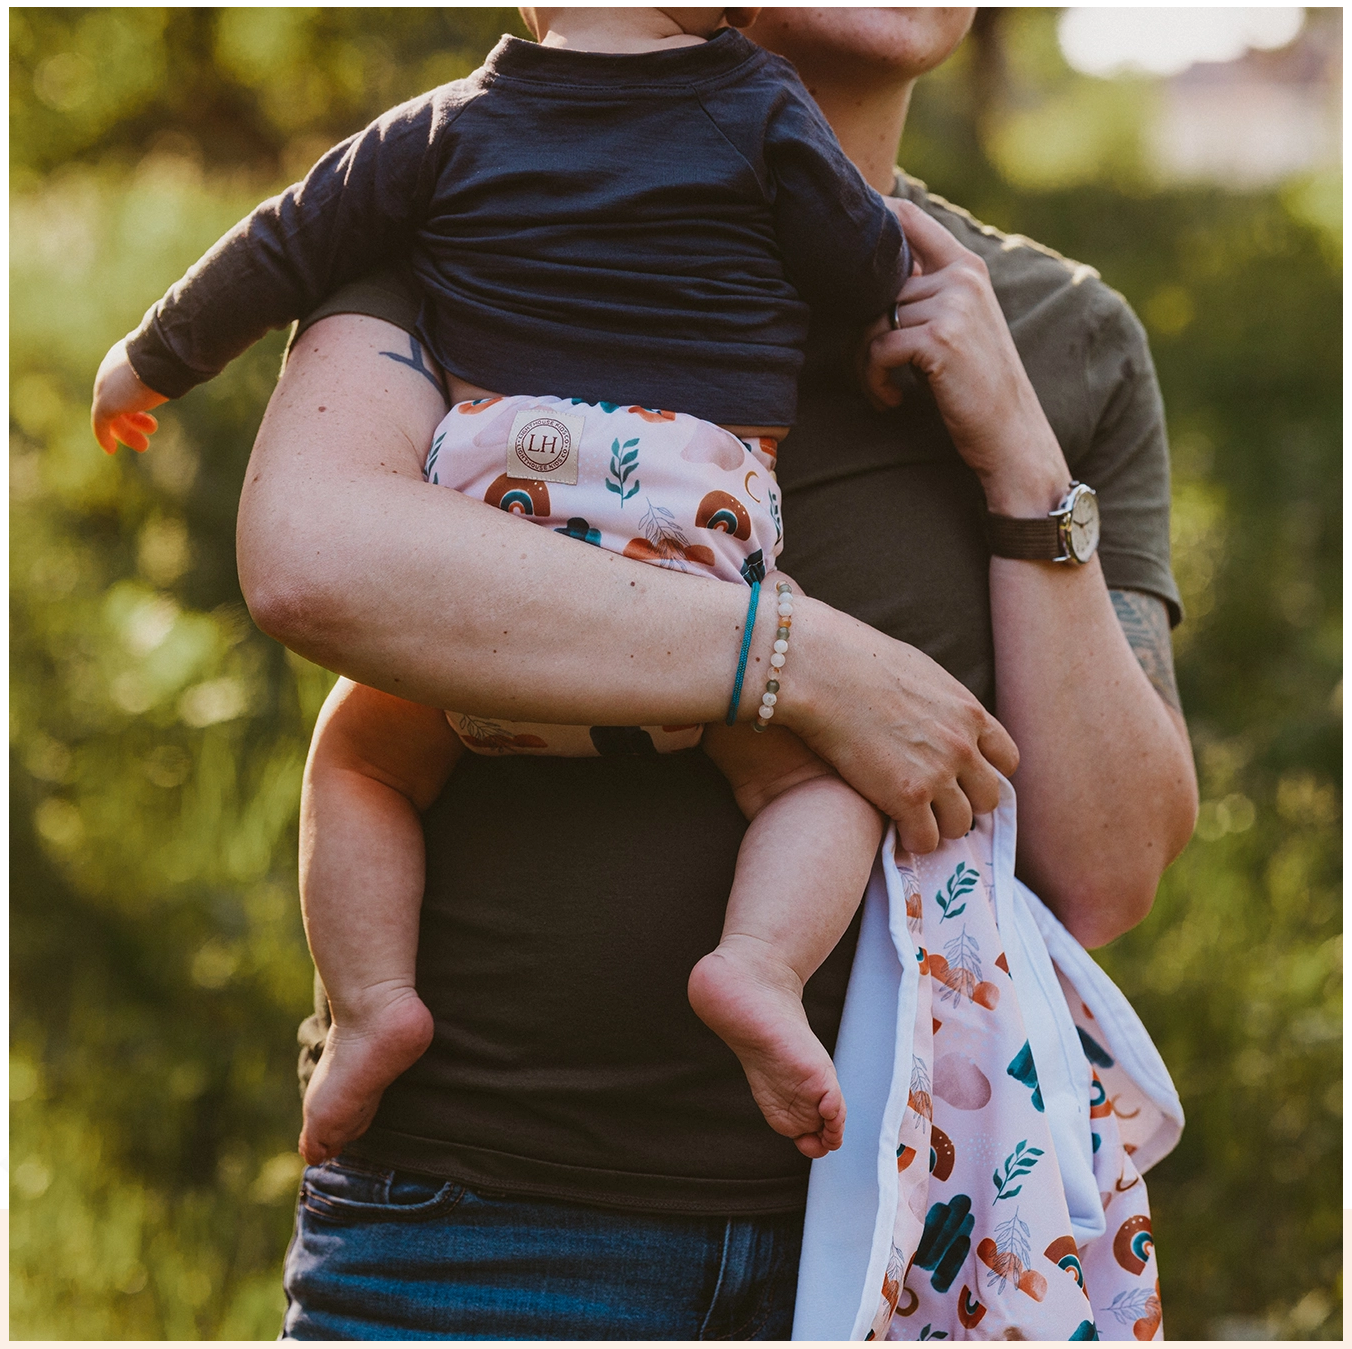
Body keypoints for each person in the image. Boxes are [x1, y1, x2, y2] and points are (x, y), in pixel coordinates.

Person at [127, 8, 1201, 1339]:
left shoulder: (1056, 328)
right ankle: (380, 1011)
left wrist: (1025, 464)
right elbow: (311, 560)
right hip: (485, 1231)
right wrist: (798, 666)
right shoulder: (481, 194)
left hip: (905, 1236)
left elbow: (1107, 870)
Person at [90, 5, 927, 1168]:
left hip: (498, 519)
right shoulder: (762, 108)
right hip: (689, 523)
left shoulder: (442, 126)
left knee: (361, 759)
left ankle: (374, 1001)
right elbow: (865, 267)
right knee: (815, 784)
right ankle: (757, 965)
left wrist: (146, 361)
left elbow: (282, 247)